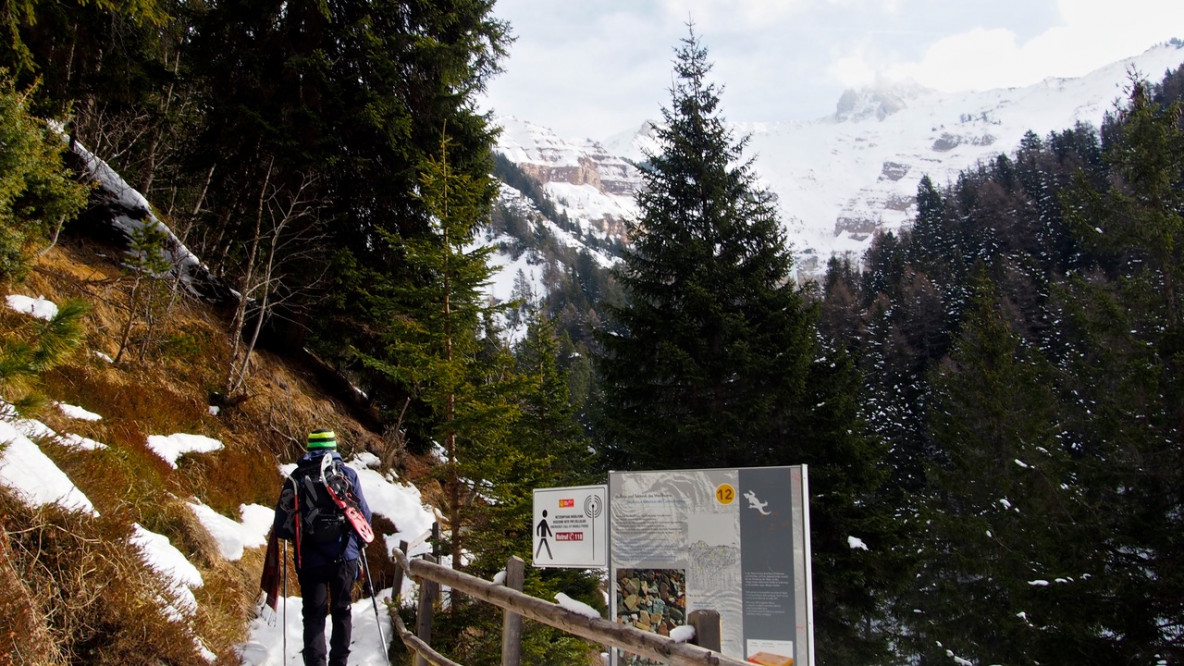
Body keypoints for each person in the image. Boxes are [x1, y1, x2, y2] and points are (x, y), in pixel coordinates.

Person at [273, 428, 373, 666]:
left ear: (309, 449)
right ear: (334, 449)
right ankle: (339, 662)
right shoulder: (347, 475)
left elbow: (281, 526)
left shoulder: (296, 478)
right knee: (342, 610)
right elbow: (364, 517)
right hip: (344, 555)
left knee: (314, 616)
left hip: (310, 559)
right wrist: (355, 546)